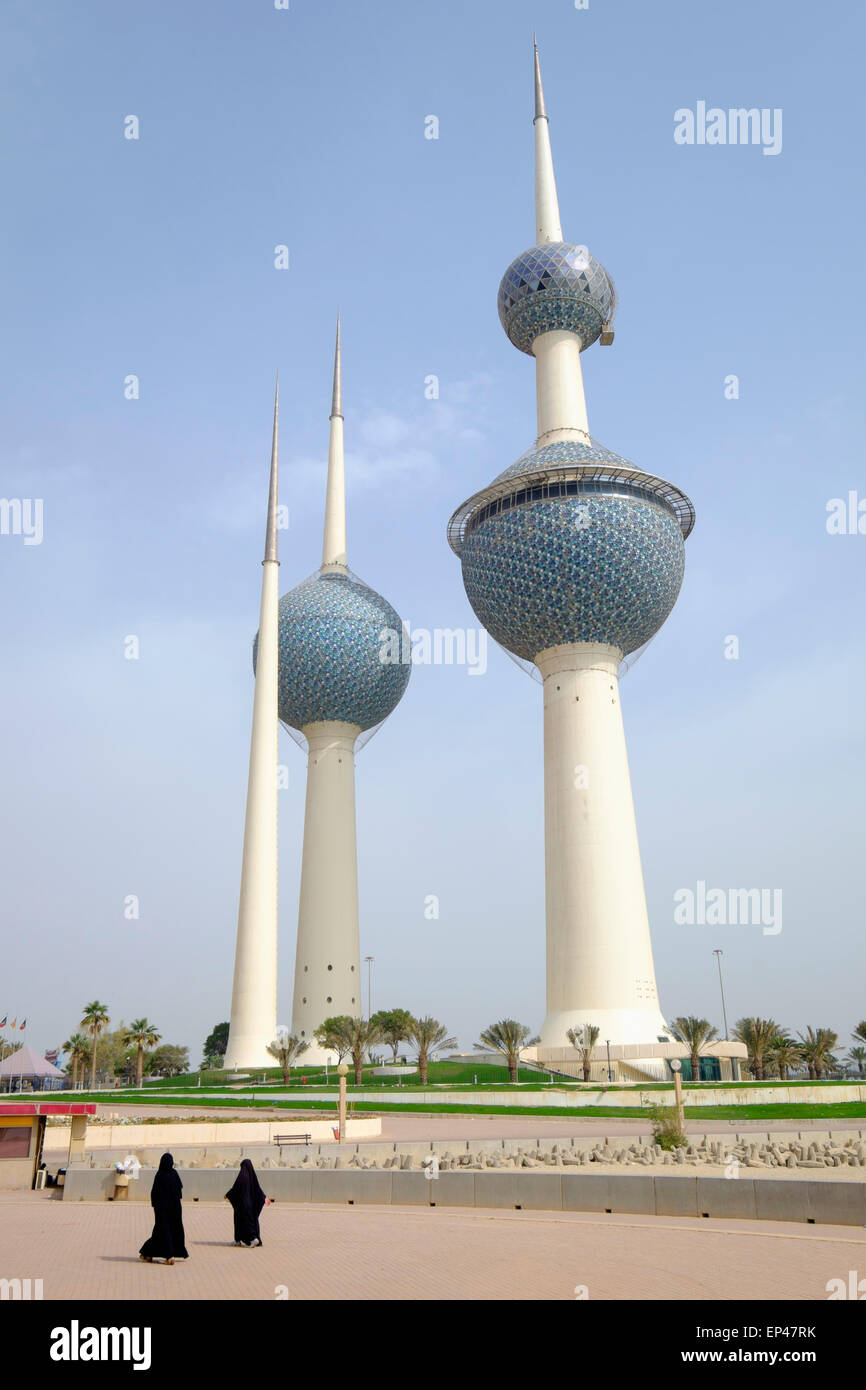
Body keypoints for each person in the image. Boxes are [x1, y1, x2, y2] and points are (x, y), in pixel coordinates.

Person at [139, 1153, 188, 1264]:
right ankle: (148, 1254)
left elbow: (155, 1193)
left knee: (162, 1231)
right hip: (175, 1209)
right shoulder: (175, 1174)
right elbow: (179, 1192)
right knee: (165, 1232)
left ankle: (169, 1256)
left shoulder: (160, 1175)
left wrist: (156, 1207)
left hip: (163, 1210)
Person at [224, 1158, 270, 1247]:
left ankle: (251, 1239)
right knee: (253, 1221)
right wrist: (264, 1198)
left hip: (242, 1206)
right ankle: (245, 1239)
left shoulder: (242, 1176)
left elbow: (235, 1188)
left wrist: (227, 1195)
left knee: (241, 1222)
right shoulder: (252, 1177)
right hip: (251, 1206)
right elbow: (258, 1189)